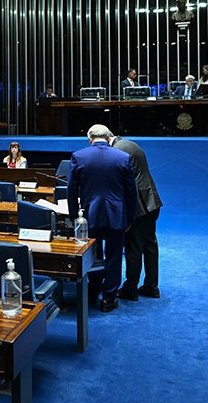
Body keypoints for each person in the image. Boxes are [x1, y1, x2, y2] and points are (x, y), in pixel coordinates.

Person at [67, 124, 138, 313]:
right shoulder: (123, 157)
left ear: (90, 139)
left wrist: (74, 217)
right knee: (114, 256)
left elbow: (72, 191)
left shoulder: (79, 156)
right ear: (108, 138)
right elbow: (131, 191)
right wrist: (130, 218)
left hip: (89, 215)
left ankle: (92, 291)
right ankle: (109, 298)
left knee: (93, 254)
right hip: (117, 214)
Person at [109, 134, 163, 301]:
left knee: (133, 247)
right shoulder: (131, 144)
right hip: (151, 202)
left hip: (138, 207)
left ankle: (130, 288)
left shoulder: (117, 150)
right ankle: (152, 286)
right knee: (149, 244)